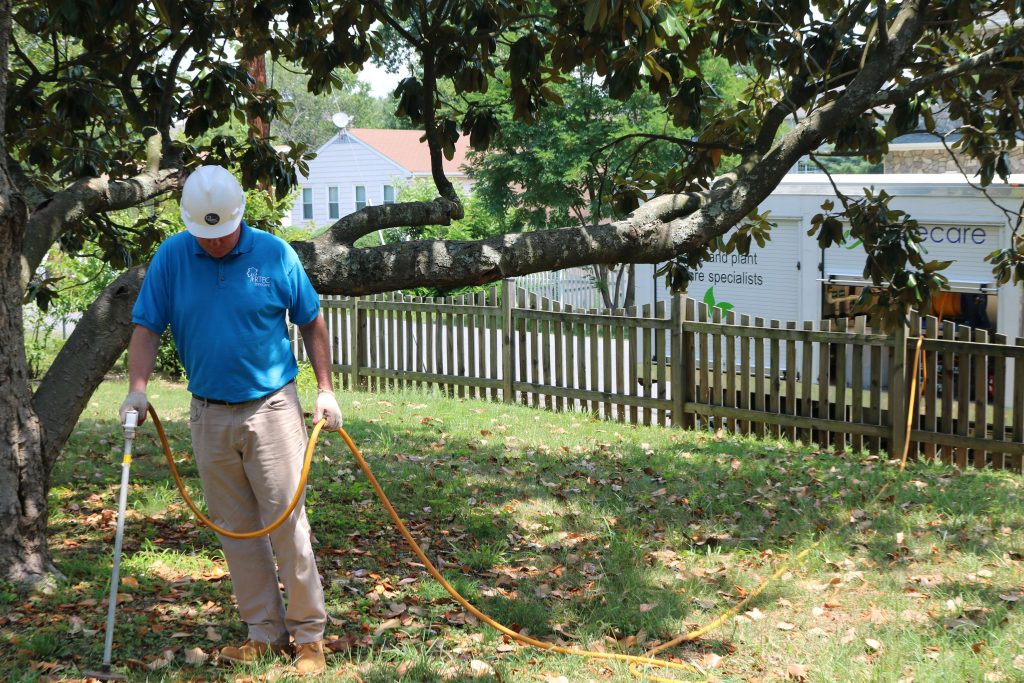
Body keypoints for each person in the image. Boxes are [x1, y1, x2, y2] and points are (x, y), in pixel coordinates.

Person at [119, 165, 342, 675]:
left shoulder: (275, 253)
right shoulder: (173, 256)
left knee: (288, 527)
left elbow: (311, 320)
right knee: (236, 530)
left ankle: (309, 638)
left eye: (222, 234)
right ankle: (264, 633)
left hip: (272, 408)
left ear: (240, 217)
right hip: (208, 413)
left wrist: (325, 391)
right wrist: (136, 389)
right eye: (206, 235)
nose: (215, 244)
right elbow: (147, 326)